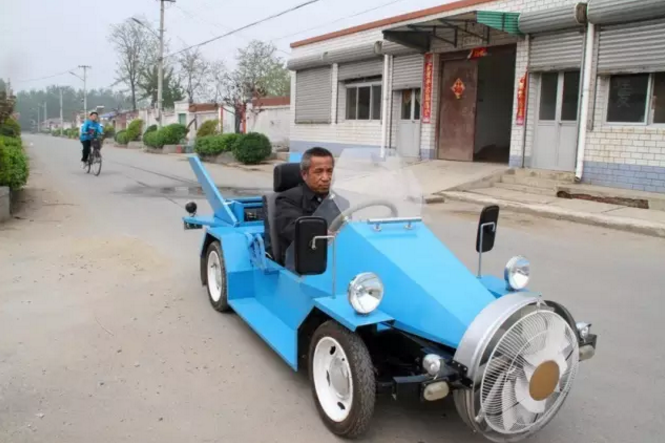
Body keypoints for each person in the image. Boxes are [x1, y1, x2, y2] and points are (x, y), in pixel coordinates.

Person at [274, 147, 344, 265]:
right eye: (318, 171)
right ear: (304, 174)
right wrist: (323, 234)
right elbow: (295, 230)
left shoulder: (341, 201)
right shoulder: (287, 200)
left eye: (329, 171)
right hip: (303, 262)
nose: (326, 178)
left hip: (338, 258)